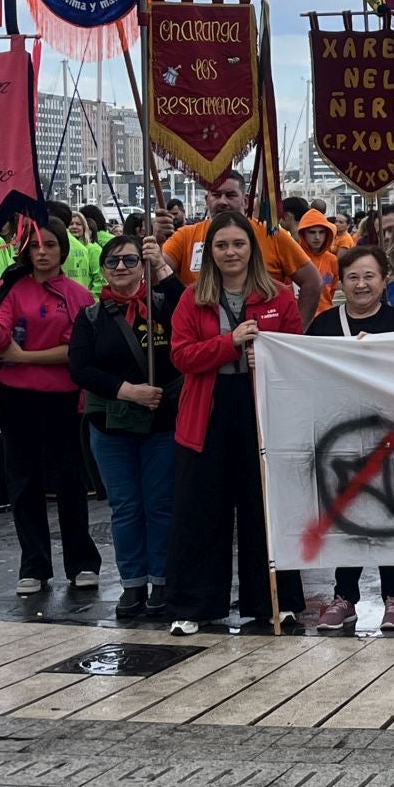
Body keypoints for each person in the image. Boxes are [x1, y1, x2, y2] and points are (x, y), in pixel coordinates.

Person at [166, 210, 306, 635]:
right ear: (210, 251)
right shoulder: (192, 297)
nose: (231, 252)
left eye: (238, 244)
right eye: (222, 245)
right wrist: (229, 344)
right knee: (201, 509)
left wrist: (263, 356)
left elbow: (295, 352)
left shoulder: (279, 296)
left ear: (253, 249)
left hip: (259, 409)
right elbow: (181, 356)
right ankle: (195, 605)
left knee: (262, 507)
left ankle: (273, 602)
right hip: (207, 409)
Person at [0, 222, 102, 597]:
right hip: (16, 397)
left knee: (70, 480)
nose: (43, 252)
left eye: (51, 245)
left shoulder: (79, 296)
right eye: (36, 246)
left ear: (64, 250)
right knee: (23, 482)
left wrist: (25, 356)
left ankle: (82, 563)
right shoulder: (6, 289)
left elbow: (76, 351)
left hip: (64, 398)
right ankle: (34, 565)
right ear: (26, 250)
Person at [68, 234, 182, 621]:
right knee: (126, 507)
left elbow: (191, 312)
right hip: (111, 424)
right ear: (102, 269)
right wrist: (127, 391)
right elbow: (80, 369)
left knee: (160, 505)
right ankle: (132, 583)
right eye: (113, 261)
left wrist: (163, 267)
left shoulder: (163, 305)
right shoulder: (90, 317)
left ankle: (162, 580)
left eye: (131, 260)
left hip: (161, 423)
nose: (121, 268)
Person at [310, 246, 394, 634]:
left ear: (384, 280)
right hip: (340, 437)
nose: (361, 284)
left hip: (391, 438)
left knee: (391, 514)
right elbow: (303, 372)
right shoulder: (323, 325)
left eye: (369, 276)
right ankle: (344, 597)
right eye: (353, 276)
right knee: (346, 516)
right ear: (341, 281)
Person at [162, 171, 321, 322]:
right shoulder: (185, 236)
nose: (223, 201)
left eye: (230, 195)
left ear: (245, 200)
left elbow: (312, 282)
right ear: (207, 199)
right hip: (207, 342)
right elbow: (156, 273)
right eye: (216, 195)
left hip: (263, 340)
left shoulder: (271, 234)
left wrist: (296, 333)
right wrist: (157, 241)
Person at [295, 208, 341, 309]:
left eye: (321, 232)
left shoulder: (332, 260)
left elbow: (332, 289)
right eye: (312, 232)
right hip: (300, 317)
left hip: (325, 315)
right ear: (303, 234)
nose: (317, 237)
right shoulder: (294, 257)